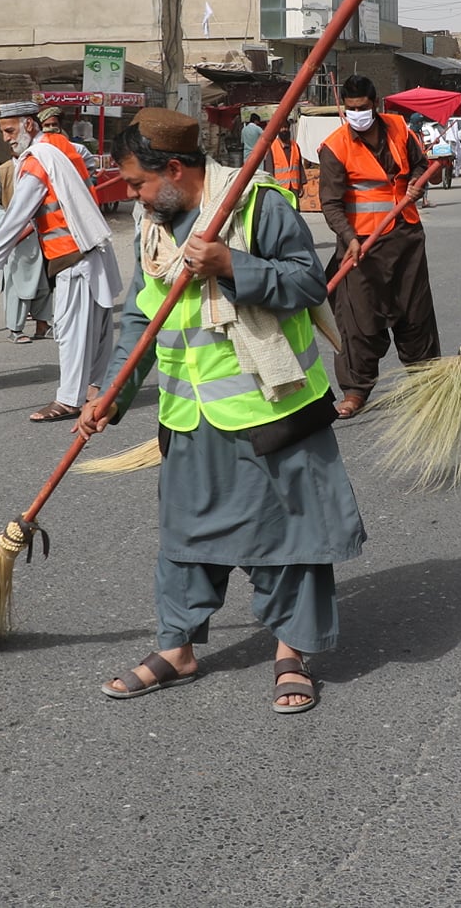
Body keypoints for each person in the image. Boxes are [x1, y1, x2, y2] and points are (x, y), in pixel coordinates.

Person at [76, 109, 364, 712]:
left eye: (138, 184)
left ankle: (291, 650)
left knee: (288, 537)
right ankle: (177, 647)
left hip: (271, 410)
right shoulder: (153, 223)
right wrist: (114, 391)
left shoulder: (259, 205)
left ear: (175, 170)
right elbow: (140, 317)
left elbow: (309, 283)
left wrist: (234, 265)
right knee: (184, 535)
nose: (134, 197)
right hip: (190, 414)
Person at [0, 100, 122, 421]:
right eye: (3, 132)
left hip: (73, 253)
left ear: (30, 124)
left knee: (70, 330)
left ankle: (69, 400)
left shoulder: (37, 159)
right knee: (97, 329)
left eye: (10, 130)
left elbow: (17, 214)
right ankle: (96, 391)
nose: (6, 139)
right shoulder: (68, 148)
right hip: (92, 248)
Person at [317, 74, 441, 418]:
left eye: (363, 107)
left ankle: (425, 382)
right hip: (362, 248)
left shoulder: (400, 129)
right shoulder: (335, 147)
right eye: (352, 109)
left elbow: (421, 164)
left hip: (406, 238)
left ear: (375, 103)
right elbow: (330, 203)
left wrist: (417, 181)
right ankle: (356, 390)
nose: (358, 114)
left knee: (415, 314)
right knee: (358, 320)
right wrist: (349, 238)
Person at [0, 110, 54, 344]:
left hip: (41, 236)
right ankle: (16, 329)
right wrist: (11, 224)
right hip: (16, 240)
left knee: (42, 283)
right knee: (17, 284)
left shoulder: (42, 164)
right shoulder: (2, 172)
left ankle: (43, 324)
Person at [266, 114, 305, 196]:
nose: (284, 129)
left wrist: (301, 185)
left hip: (294, 188)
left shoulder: (295, 146)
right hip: (280, 189)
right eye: (282, 127)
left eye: (286, 127)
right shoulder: (272, 147)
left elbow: (299, 166)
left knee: (295, 208)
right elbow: (269, 170)